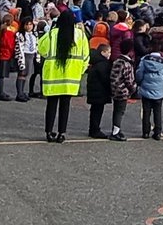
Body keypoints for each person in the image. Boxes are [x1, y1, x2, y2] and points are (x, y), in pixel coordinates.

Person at [37, 10, 90, 143]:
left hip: (53, 77)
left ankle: (49, 132)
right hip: (71, 78)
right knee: (65, 106)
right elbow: (85, 56)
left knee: (51, 105)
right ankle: (62, 133)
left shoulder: (52, 34)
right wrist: (80, 71)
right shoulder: (80, 35)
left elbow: (42, 49)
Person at [135, 47, 163, 139]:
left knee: (146, 112)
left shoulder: (144, 60)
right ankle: (157, 132)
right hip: (159, 90)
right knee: (157, 112)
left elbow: (139, 73)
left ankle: (145, 132)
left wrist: (139, 82)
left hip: (146, 88)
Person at [86, 42, 114, 138]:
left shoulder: (95, 62)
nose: (110, 54)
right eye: (108, 52)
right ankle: (95, 130)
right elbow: (105, 78)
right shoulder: (103, 64)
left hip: (94, 90)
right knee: (97, 111)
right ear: (103, 52)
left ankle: (93, 129)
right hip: (100, 91)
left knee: (94, 110)